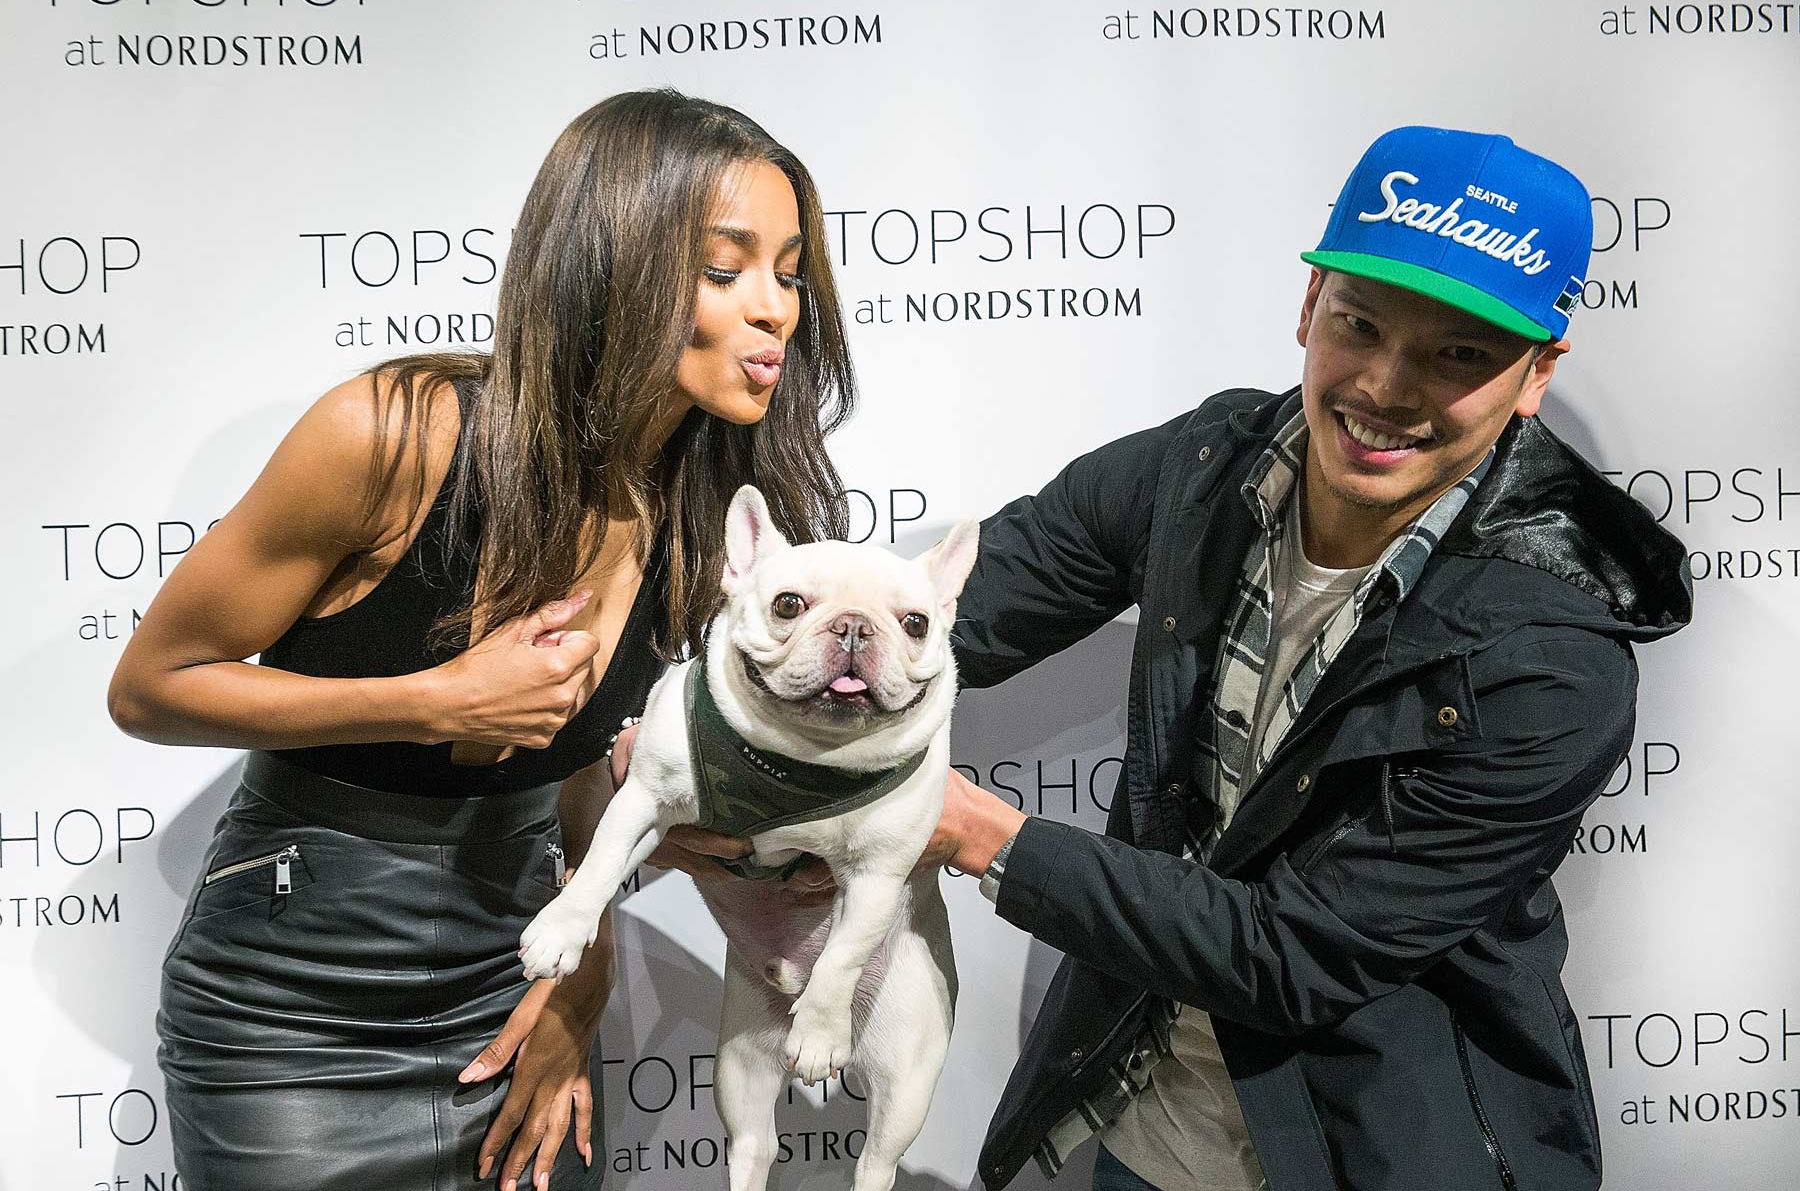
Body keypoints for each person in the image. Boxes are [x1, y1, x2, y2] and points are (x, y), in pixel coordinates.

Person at [106, 88, 856, 1191]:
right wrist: (435, 701)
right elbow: (152, 687)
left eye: (790, 273)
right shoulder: (396, 432)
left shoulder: (697, 501)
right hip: (292, 1021)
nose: (776, 310)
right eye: (726, 267)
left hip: (506, 989)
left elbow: (577, 794)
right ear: (616, 261)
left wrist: (584, 982)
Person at [921, 126, 1693, 1189]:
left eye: (1458, 353)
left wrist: (980, 835)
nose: (1384, 385)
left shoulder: (1555, 658)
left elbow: (1292, 954)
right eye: (1358, 324)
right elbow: (941, 613)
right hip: (1147, 1144)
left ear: (1534, 376)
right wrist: (714, 718)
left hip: (1379, 1157)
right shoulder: (1203, 468)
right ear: (1309, 303)